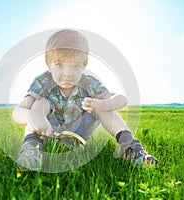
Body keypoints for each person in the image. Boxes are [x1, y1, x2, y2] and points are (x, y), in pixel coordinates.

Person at [12, 29, 157, 170]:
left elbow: (122, 99)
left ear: (84, 66)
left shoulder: (89, 83)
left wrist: (101, 104)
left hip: (80, 132)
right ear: (49, 66)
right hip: (48, 130)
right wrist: (32, 116)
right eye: (59, 65)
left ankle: (130, 147)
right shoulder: (43, 81)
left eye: (75, 66)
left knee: (104, 106)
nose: (67, 73)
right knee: (39, 103)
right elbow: (17, 112)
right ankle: (31, 150)